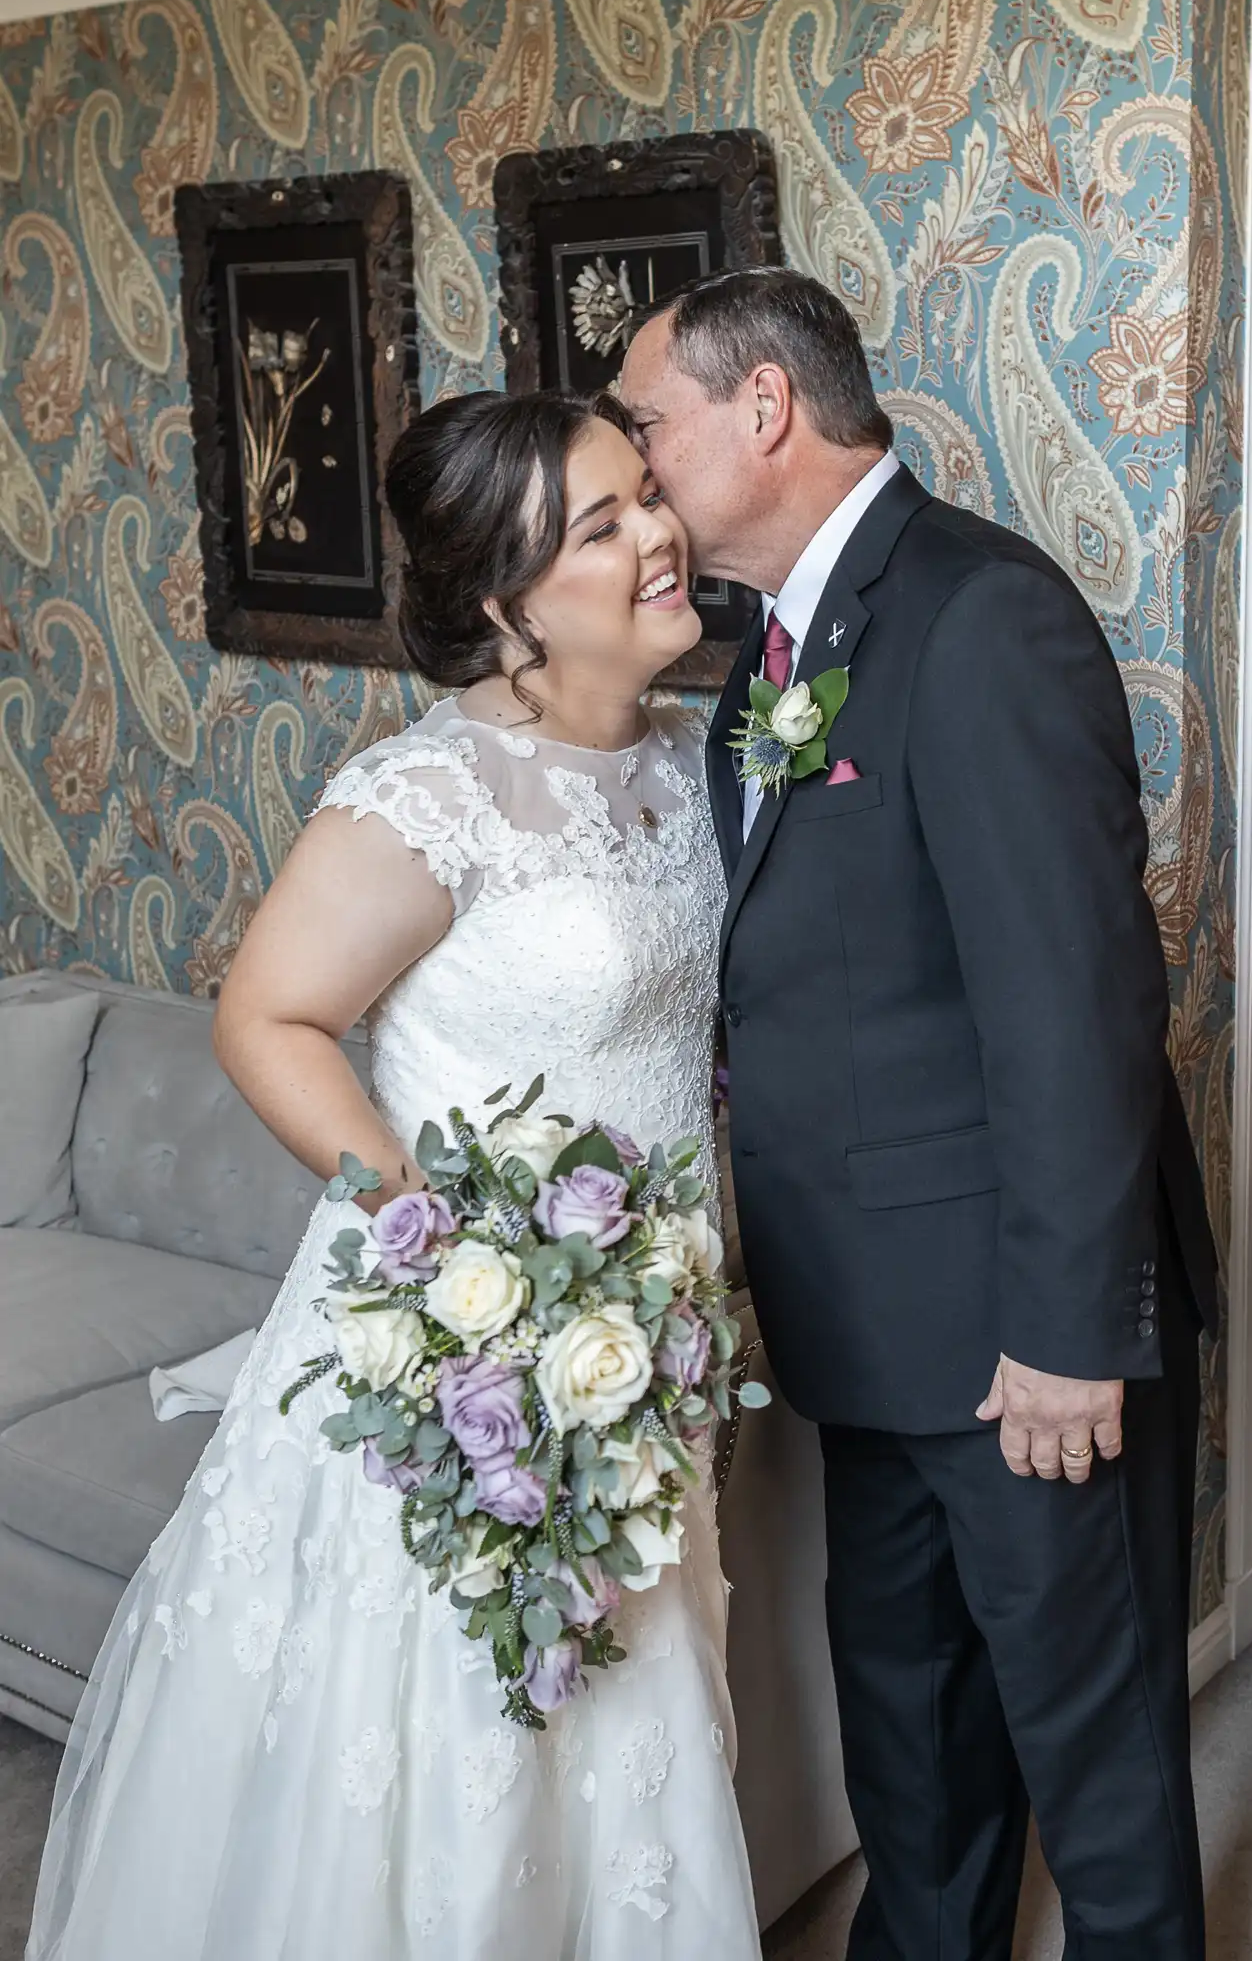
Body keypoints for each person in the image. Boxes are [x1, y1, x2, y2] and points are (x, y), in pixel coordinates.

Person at [24, 390, 762, 1961]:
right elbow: (265, 1017)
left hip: (649, 1341)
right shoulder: (432, 798)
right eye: (602, 524)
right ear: (507, 609)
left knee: (634, 1712)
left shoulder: (695, 759)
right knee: (464, 1737)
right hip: (474, 1347)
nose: (658, 537)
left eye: (646, 494)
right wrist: (448, 1250)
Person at [620, 266, 1219, 1961]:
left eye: (649, 422)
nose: (639, 461)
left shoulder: (980, 615)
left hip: (1017, 1338)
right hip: (864, 1322)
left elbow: (1076, 1013)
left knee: (1089, 1758)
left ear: (762, 410)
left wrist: (1064, 1336)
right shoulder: (771, 653)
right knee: (910, 1726)